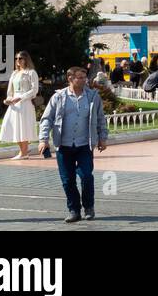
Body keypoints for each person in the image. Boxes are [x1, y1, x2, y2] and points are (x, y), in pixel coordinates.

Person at [38, 66, 109, 224]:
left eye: (85, 77)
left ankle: (89, 207)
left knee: (86, 176)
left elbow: (100, 118)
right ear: (70, 78)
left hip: (84, 145)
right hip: (64, 146)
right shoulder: (59, 97)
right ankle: (74, 210)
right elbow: (46, 119)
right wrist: (43, 140)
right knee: (67, 180)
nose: (84, 80)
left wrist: (102, 138)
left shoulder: (92, 96)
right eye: (80, 77)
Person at [0, 50, 40, 160]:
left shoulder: (31, 72)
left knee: (23, 126)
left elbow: (34, 90)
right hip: (14, 104)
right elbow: (10, 91)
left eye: (20, 58)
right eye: (16, 58)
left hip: (25, 103)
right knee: (13, 125)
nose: (18, 60)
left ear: (26, 59)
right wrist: (8, 99)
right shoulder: (14, 73)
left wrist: (21, 97)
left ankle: (24, 152)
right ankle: (23, 151)